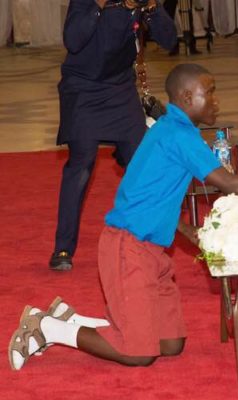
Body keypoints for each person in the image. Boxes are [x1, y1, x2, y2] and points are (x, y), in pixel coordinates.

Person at [8, 64, 238, 371]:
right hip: (127, 248)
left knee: (171, 343)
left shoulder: (169, 128)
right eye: (210, 92)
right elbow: (230, 183)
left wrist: (185, 229)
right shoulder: (179, 135)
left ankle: (72, 320)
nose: (216, 100)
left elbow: (150, 190)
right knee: (138, 354)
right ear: (188, 98)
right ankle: (47, 327)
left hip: (152, 252)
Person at [50, 0, 177, 272]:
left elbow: (169, 41)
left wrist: (153, 8)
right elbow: (73, 40)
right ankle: (63, 247)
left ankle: (147, 239)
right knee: (82, 162)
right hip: (82, 89)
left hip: (120, 90)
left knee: (140, 162)